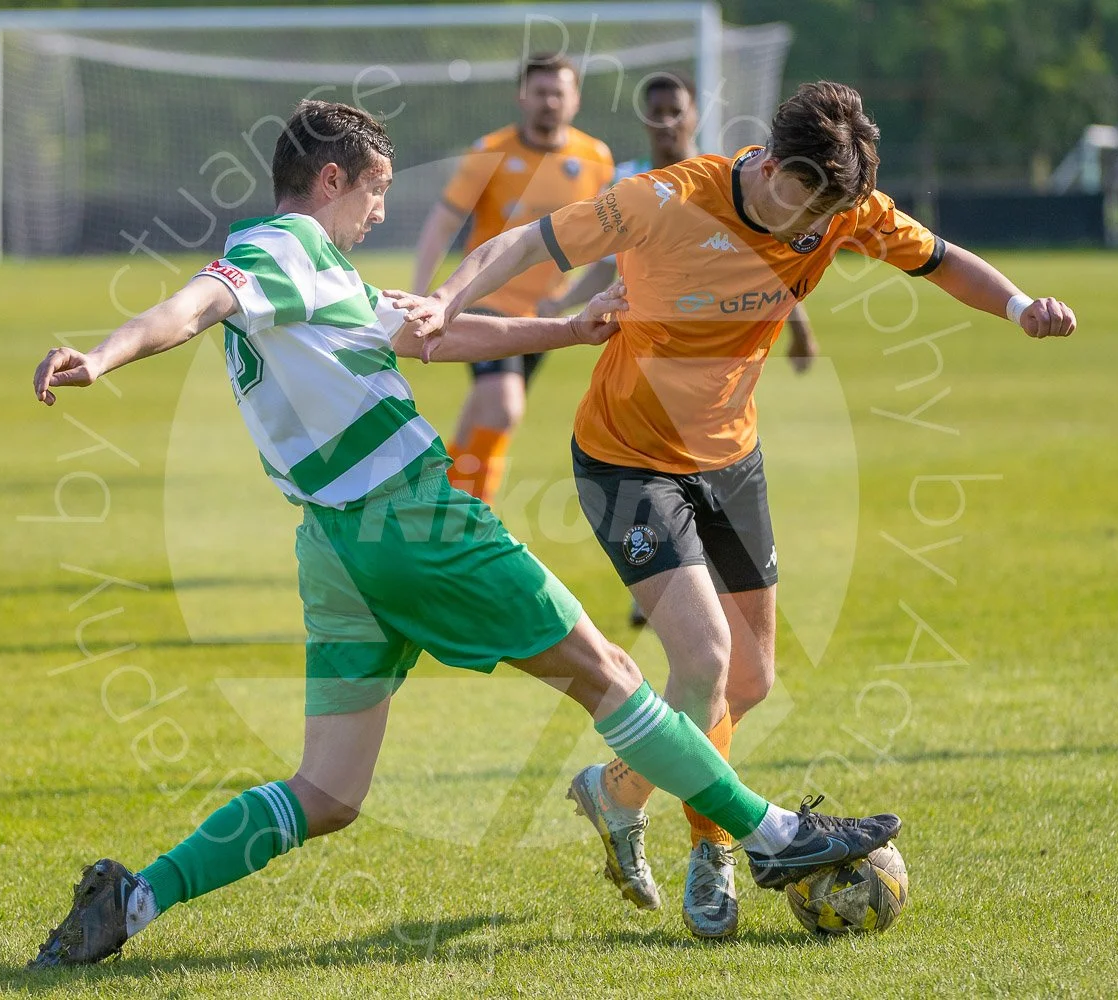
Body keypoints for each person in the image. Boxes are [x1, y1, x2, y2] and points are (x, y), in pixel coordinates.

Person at [24, 99, 901, 967]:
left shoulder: (320, 271)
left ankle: (132, 899)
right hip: (415, 520)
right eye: (376, 191)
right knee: (614, 677)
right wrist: (102, 356)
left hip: (332, 546)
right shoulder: (278, 250)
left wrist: (570, 326)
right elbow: (195, 302)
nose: (379, 211)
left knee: (327, 792)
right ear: (331, 178)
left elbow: (425, 336)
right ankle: (774, 833)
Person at [395, 81, 1076, 940]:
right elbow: (519, 243)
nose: (818, 225)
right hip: (626, 457)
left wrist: (1019, 306)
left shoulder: (842, 208)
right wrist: (445, 301)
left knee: (753, 679)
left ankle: (616, 792)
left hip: (731, 460)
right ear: (776, 167)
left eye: (836, 210)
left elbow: (941, 260)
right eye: (809, 202)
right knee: (706, 659)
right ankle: (718, 850)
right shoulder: (664, 198)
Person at [536, 70, 820, 635]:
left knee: (703, 465)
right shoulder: (631, 180)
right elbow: (601, 251)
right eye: (655, 111)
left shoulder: (728, 183)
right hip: (644, 344)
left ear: (692, 115)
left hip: (709, 356)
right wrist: (566, 302)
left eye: (675, 109)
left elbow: (777, 266)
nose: (665, 120)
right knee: (646, 454)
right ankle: (669, 583)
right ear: (645, 120)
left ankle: (683, 583)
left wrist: (801, 330)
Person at [412, 53, 614, 504]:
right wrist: (422, 293)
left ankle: (436, 502)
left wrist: (569, 300)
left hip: (543, 313)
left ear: (575, 99)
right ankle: (473, 519)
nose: (549, 102)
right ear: (522, 97)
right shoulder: (491, 152)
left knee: (483, 418)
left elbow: (603, 246)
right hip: (483, 299)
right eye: (540, 92)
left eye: (558, 93)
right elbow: (443, 223)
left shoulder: (596, 158)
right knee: (504, 406)